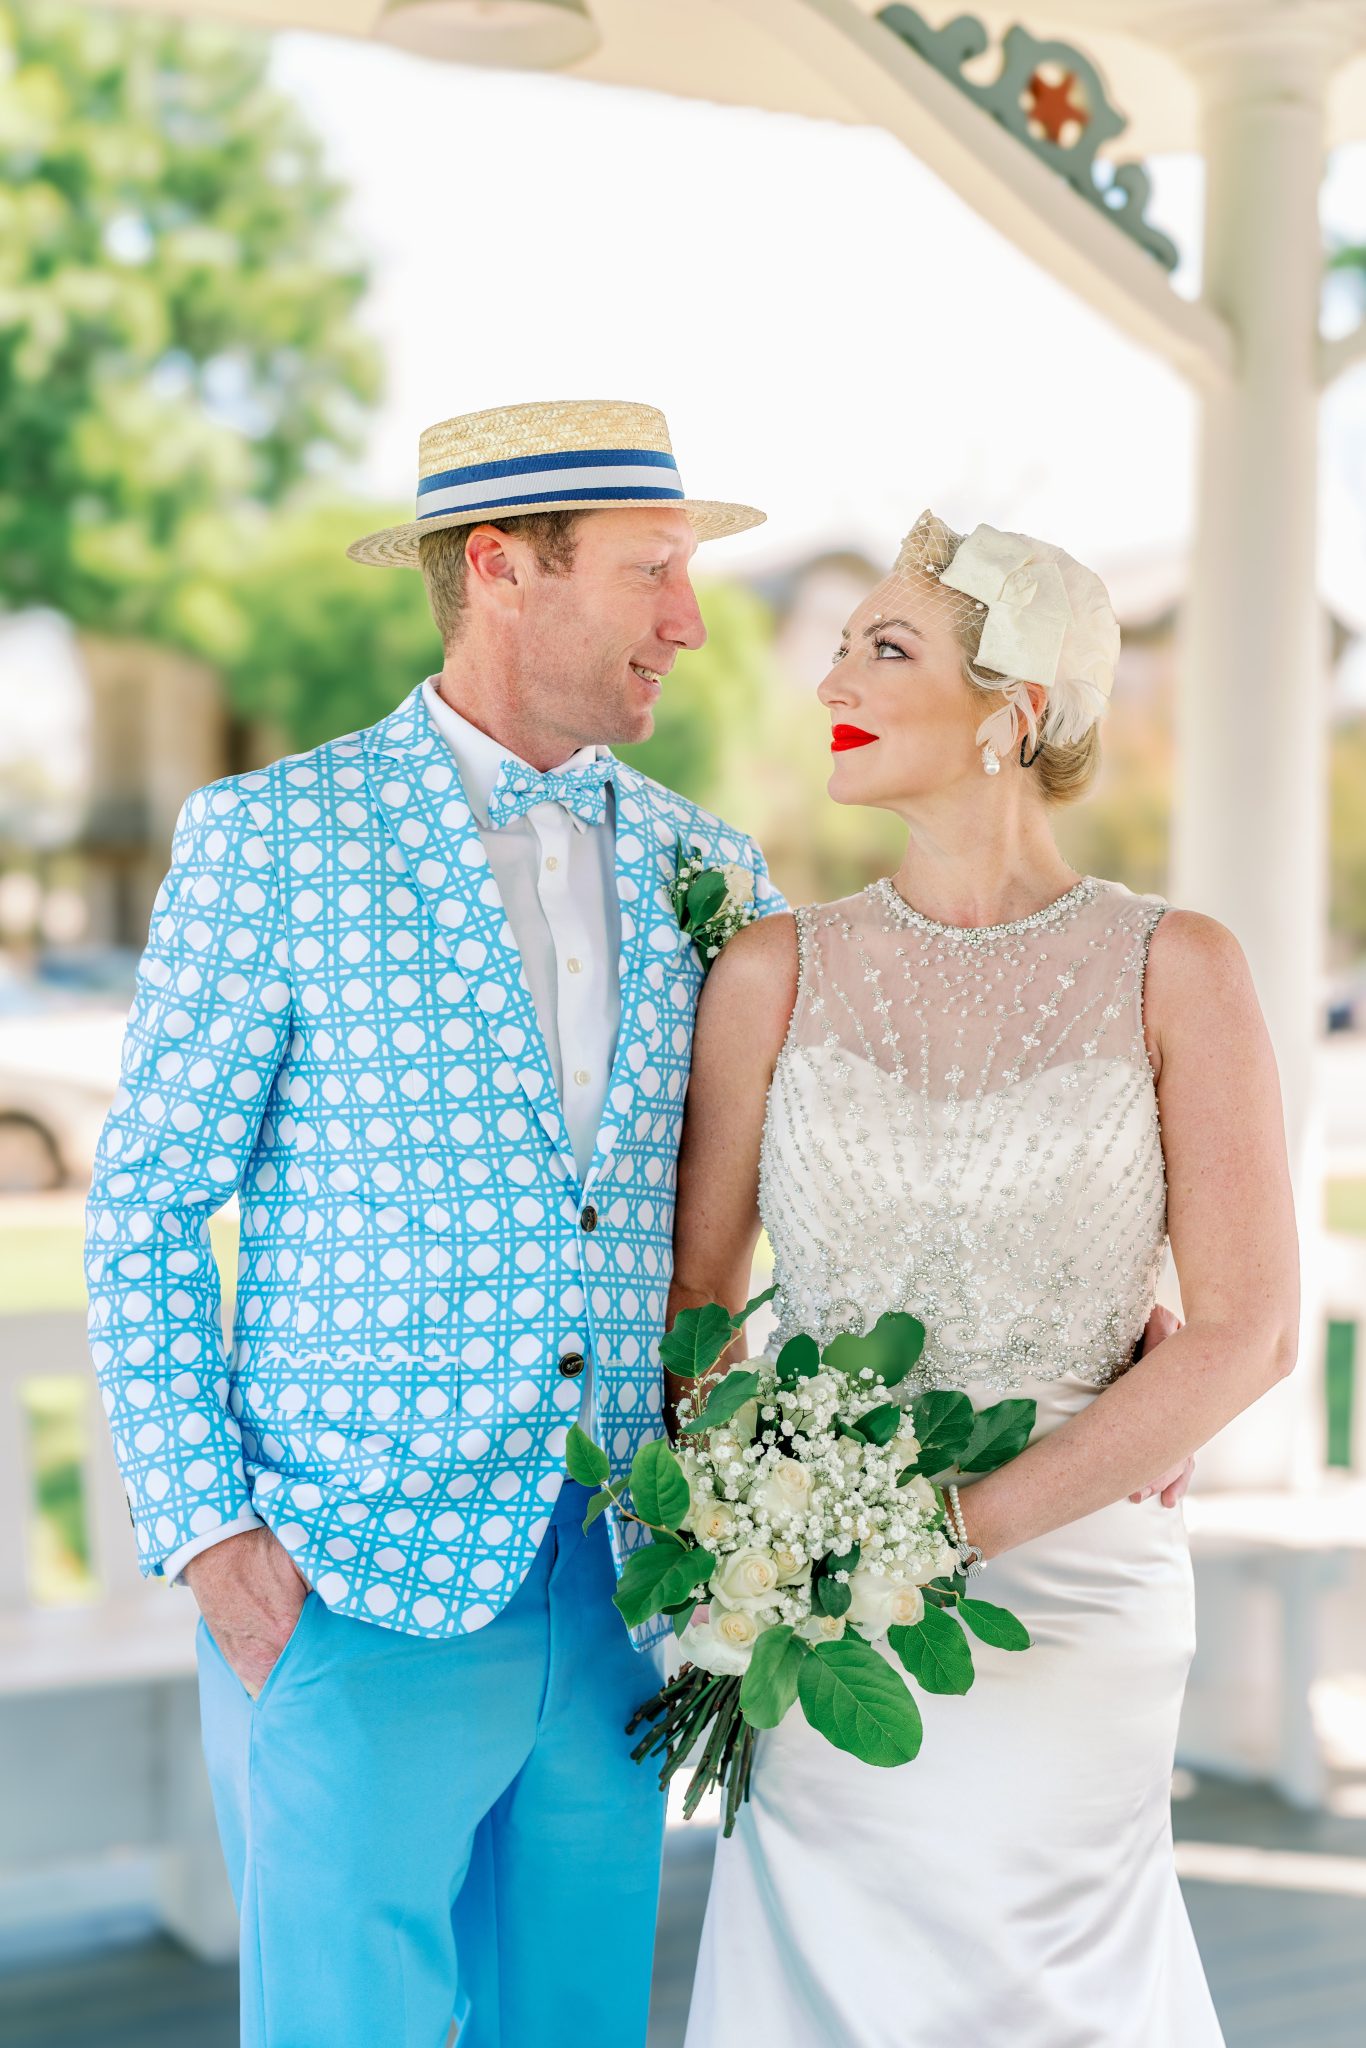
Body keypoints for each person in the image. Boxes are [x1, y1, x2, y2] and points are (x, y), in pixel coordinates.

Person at [83, 398, 784, 2048]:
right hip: (347, 1585)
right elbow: (147, 1208)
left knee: (575, 2026)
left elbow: (788, 1169)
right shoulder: (273, 839)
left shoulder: (715, 870)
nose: (687, 619)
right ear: (499, 570)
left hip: (616, 1585)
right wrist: (214, 1537)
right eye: (651, 573)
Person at [671, 509, 1299, 2047]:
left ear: (1013, 714)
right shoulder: (769, 972)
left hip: (1076, 1597)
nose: (833, 673)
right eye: (839, 643)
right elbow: (687, 1309)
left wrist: (954, 1528)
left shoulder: (1179, 968)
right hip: (816, 1603)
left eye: (884, 648)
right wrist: (775, 1509)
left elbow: (1246, 1332)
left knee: (1052, 1990)